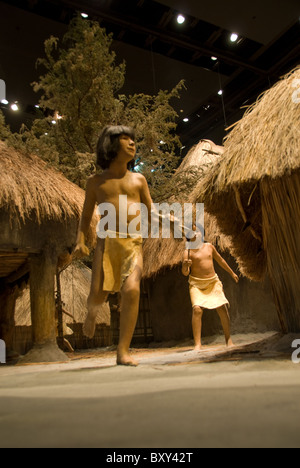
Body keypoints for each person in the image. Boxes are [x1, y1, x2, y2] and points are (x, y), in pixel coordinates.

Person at [73, 125, 153, 366]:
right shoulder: (95, 182)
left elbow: (152, 210)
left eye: (133, 139)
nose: (132, 143)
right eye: (125, 139)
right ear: (110, 145)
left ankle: (123, 350)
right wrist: (80, 239)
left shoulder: (139, 180)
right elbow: (86, 216)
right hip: (106, 243)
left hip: (133, 243)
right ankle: (92, 312)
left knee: (131, 290)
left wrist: (170, 227)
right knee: (97, 295)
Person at [182, 226, 239, 350]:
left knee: (222, 307)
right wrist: (185, 266)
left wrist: (232, 273)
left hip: (213, 282)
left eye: (197, 230)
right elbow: (185, 273)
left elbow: (221, 260)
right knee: (197, 309)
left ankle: (228, 340)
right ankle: (197, 344)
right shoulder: (187, 252)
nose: (195, 233)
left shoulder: (209, 247)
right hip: (196, 284)